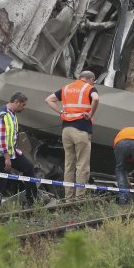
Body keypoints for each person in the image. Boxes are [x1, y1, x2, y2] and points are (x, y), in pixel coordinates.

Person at [45, 71, 100, 199]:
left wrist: (60, 111)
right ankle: (79, 197)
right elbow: (96, 98)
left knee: (69, 164)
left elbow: (49, 99)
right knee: (82, 165)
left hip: (66, 130)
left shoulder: (67, 88)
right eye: (93, 81)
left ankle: (68, 197)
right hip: (81, 129)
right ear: (90, 79)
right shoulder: (90, 88)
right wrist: (90, 114)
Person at [0, 92, 38, 208]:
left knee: (28, 168)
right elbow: (1, 140)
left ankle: (32, 201)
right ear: (16, 102)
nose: (24, 107)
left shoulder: (11, 113)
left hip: (9, 152)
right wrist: (7, 158)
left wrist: (14, 152)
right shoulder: (3, 115)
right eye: (23, 105)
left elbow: (10, 137)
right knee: (0, 181)